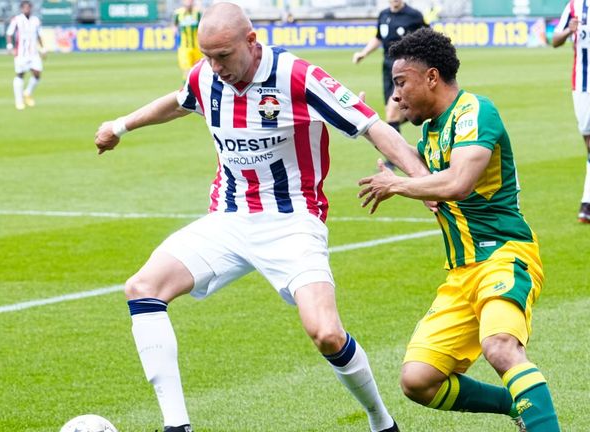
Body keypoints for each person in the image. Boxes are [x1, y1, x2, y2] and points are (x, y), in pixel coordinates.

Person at [94, 3, 433, 431]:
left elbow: (373, 127)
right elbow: (180, 101)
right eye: (207, 57)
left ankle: (381, 422)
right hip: (228, 219)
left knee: (326, 333)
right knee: (142, 288)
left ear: (251, 42)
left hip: (293, 222)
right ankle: (176, 426)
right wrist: (120, 126)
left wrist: (422, 182)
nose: (215, 67)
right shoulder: (206, 75)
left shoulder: (297, 76)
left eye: (223, 56)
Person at [358, 28, 561, 431]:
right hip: (461, 272)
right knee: (418, 381)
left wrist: (397, 184)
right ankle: (522, 407)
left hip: (504, 255)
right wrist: (375, 135)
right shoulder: (434, 130)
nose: (396, 95)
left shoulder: (475, 112)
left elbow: (457, 183)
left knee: (500, 347)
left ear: (431, 77)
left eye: (401, 83)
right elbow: (418, 161)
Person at [352, 0, 427, 135]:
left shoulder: (414, 15)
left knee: (392, 111)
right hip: (387, 68)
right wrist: (364, 53)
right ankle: (420, 114)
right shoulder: (383, 15)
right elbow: (379, 37)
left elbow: (427, 37)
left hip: (405, 68)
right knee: (392, 112)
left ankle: (394, 155)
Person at [552, 0, 590, 223]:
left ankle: (586, 203)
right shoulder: (574, 6)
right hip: (582, 86)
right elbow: (554, 40)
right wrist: (569, 30)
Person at [5, 0, 44, 110]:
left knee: (37, 74)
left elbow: (39, 35)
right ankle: (19, 101)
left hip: (33, 53)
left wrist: (43, 48)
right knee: (20, 74)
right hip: (21, 53)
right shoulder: (17, 20)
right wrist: (9, 47)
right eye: (24, 8)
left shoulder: (35, 20)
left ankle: (27, 92)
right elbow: (9, 33)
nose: (27, 9)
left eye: (28, 7)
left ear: (31, 8)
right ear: (22, 9)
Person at [174, 0, 202, 79]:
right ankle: (186, 89)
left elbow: (202, 27)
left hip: (197, 47)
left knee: (197, 71)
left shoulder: (197, 13)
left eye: (190, 1)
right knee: (187, 70)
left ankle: (195, 89)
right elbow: (174, 25)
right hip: (184, 48)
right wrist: (174, 31)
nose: (188, 3)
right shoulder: (178, 13)